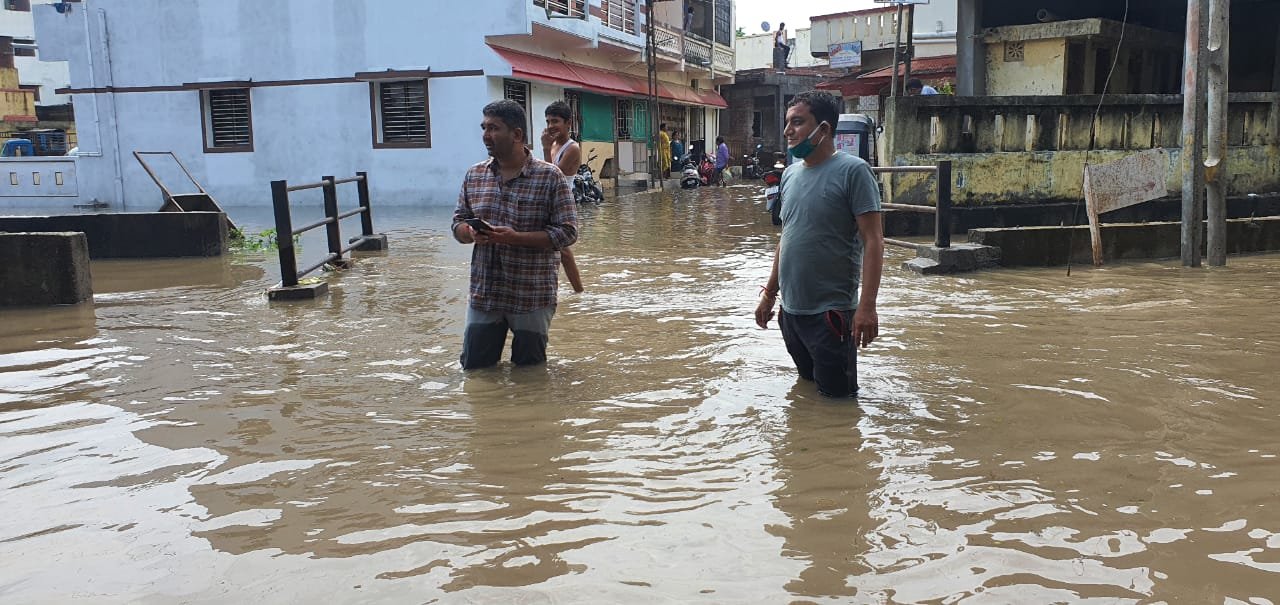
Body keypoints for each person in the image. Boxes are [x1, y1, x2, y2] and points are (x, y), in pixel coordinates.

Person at [753, 90, 884, 398]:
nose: (788, 131)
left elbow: (874, 240)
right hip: (791, 313)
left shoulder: (854, 171)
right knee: (808, 394)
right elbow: (787, 237)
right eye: (787, 122)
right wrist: (769, 295)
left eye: (798, 122)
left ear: (824, 129)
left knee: (838, 405)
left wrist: (867, 307)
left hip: (831, 315)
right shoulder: (790, 175)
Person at [452, 99, 578, 369]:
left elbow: (567, 233)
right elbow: (457, 225)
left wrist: (515, 238)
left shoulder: (550, 177)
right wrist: (470, 233)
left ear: (517, 134)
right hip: (485, 293)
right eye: (484, 128)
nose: (486, 135)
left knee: (530, 373)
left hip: (531, 294)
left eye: (494, 128)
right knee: (475, 370)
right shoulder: (474, 175)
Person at [541, 100, 585, 293]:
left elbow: (553, 176)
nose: (551, 126)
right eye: (548, 121)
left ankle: (578, 292)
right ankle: (575, 291)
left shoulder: (572, 148)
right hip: (548, 202)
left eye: (555, 121)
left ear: (568, 123)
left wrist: (545, 148)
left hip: (562, 203)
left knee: (563, 250)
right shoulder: (553, 144)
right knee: (559, 250)